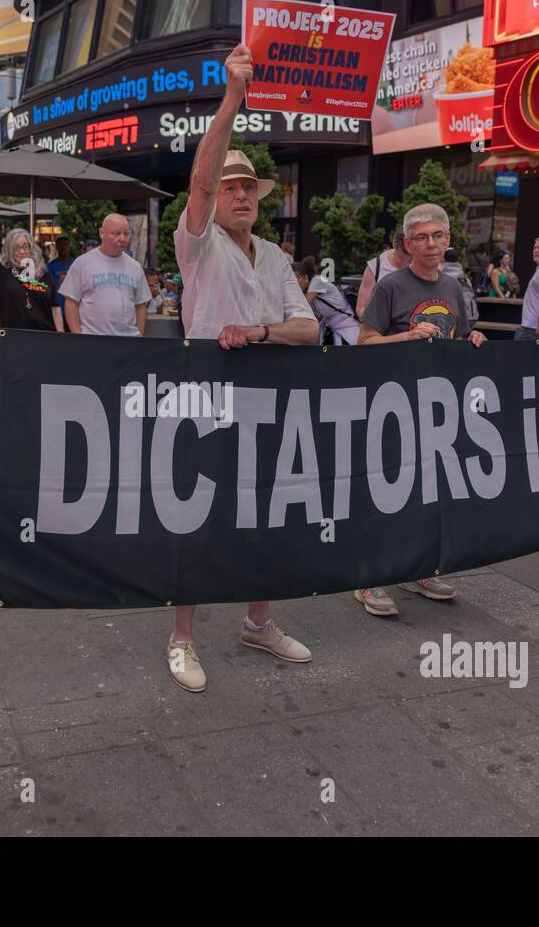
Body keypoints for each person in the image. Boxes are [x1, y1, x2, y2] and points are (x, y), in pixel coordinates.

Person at [167, 42, 318, 693]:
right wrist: (232, 97)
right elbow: (199, 180)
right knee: (199, 520)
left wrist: (261, 330)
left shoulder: (277, 258)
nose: (238, 194)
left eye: (247, 186)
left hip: (267, 403)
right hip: (206, 401)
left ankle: (258, 621)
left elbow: (309, 328)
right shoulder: (198, 244)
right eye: (229, 186)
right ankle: (181, 637)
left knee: (263, 515)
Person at [353, 204, 487, 615]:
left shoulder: (452, 287)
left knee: (429, 489)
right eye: (422, 238)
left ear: (448, 240)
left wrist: (473, 338)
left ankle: (418, 568)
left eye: (438, 236)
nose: (431, 244)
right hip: (392, 404)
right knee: (386, 489)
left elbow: (457, 336)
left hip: (437, 405)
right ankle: (369, 579)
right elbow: (365, 341)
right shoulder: (392, 285)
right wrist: (406, 338)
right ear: (407, 244)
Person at [60, 214, 150, 336]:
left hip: (129, 341)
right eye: (117, 233)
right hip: (93, 341)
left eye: (126, 234)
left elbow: (141, 305)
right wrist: (78, 336)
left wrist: (139, 336)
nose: (122, 239)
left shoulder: (135, 267)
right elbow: (70, 302)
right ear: (102, 233)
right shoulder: (82, 263)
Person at [296, 256, 360, 345]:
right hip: (335, 327)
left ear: (305, 278)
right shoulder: (311, 290)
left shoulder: (317, 281)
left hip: (348, 324)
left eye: (296, 281)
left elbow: (304, 305)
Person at [356, 228, 410, 317]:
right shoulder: (375, 267)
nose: (405, 263)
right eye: (400, 257)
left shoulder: (423, 262)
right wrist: (373, 329)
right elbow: (361, 308)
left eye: (410, 259)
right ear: (394, 244)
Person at [441, 246, 478, 325]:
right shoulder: (463, 276)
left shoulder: (440, 275)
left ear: (443, 258)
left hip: (450, 317)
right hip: (469, 315)